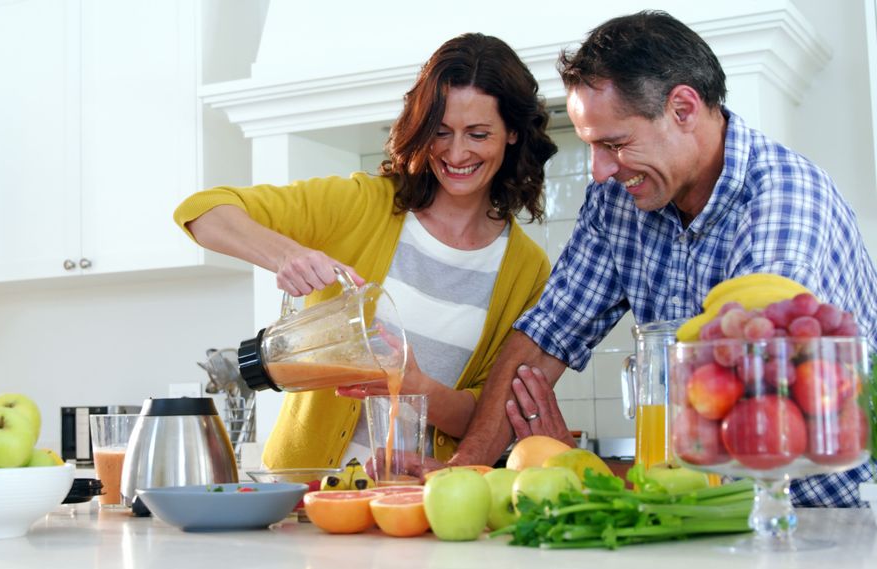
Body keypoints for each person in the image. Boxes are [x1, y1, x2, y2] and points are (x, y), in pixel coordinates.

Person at [446, 11, 877, 508]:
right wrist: (467, 470)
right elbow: (543, 338)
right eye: (592, 146)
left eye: (615, 144)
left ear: (683, 108)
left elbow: (757, 422)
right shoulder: (620, 203)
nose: (601, 171)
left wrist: (588, 470)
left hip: (826, 519)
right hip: (702, 514)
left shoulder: (782, 200)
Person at [174, 33, 558, 471]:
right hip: (310, 495)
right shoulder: (361, 204)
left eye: (478, 134)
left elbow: (489, 417)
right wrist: (287, 254)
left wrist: (417, 386)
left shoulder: (525, 268)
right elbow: (201, 211)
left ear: (511, 133)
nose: (456, 152)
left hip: (423, 503)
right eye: (441, 132)